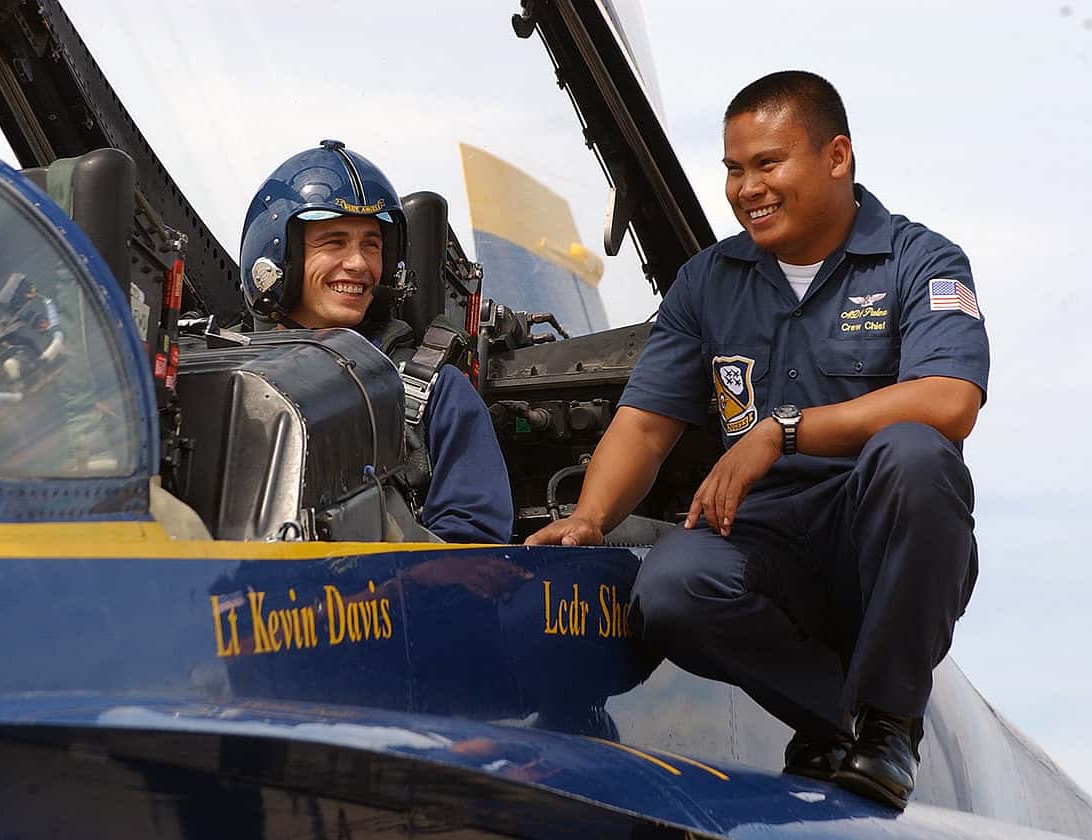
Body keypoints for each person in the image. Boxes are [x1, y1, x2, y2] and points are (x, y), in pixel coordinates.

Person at [526, 71, 987, 810]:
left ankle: (890, 719)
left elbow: (950, 400)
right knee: (671, 586)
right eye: (735, 170)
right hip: (766, 545)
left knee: (914, 455)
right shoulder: (707, 282)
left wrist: (785, 429)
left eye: (768, 164)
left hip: (879, 546)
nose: (747, 189)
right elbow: (645, 422)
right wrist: (590, 516)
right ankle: (848, 725)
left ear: (837, 157)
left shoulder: (919, 262)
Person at [239, 140, 512, 545]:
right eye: (333, 242)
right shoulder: (224, 378)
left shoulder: (437, 392)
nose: (360, 264)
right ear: (281, 257)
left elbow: (475, 554)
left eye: (372, 244)